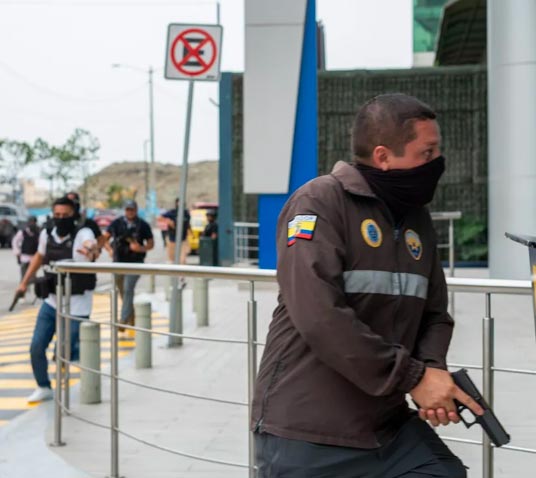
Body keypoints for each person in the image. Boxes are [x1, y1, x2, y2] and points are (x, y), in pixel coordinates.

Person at [251, 94, 484, 478]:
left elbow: (435, 313)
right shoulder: (318, 202)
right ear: (383, 156)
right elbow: (320, 316)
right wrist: (413, 378)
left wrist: (431, 371)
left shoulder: (416, 219)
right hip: (309, 428)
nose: (437, 163)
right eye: (427, 153)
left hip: (386, 427)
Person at [16, 196, 99, 403]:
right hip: (52, 301)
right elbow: (39, 256)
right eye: (57, 215)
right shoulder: (47, 233)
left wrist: (90, 250)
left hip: (77, 305)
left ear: (74, 215)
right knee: (36, 346)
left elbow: (91, 245)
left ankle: (77, 367)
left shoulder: (83, 233)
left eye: (65, 215)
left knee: (66, 350)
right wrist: (24, 283)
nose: (60, 219)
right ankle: (43, 386)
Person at [103, 200, 154, 330]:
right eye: (127, 209)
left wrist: (140, 248)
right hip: (118, 262)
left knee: (128, 288)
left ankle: (123, 319)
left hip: (135, 262)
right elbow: (104, 238)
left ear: (136, 210)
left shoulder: (143, 225)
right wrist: (110, 250)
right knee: (122, 290)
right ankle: (131, 315)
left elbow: (151, 244)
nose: (130, 212)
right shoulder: (117, 223)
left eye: (132, 209)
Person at [158, 198, 191, 287]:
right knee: (172, 261)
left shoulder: (186, 213)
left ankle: (182, 278)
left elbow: (188, 224)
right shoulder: (172, 212)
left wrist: (189, 232)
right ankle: (172, 280)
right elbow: (160, 218)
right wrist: (169, 222)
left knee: (182, 260)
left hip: (183, 240)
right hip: (172, 239)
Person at [12, 216, 40, 300]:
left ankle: (35, 294)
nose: (32, 224)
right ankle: (22, 295)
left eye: (33, 222)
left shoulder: (37, 233)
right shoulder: (22, 232)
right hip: (24, 258)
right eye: (30, 222)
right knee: (23, 277)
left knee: (33, 278)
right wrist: (17, 253)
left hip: (33, 259)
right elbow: (15, 242)